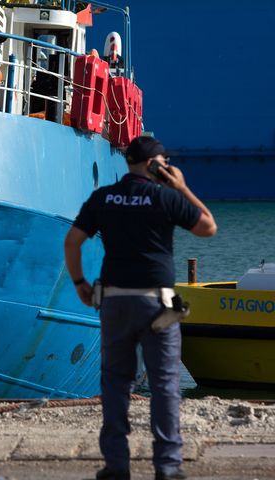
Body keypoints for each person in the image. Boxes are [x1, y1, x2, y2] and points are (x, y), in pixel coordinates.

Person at [63, 136, 217, 480]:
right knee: (163, 383)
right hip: (157, 305)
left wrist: (79, 284)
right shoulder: (165, 197)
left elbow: (72, 240)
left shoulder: (103, 198)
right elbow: (208, 226)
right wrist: (183, 187)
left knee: (115, 383)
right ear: (155, 165)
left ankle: (117, 466)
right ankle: (168, 467)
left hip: (114, 301)